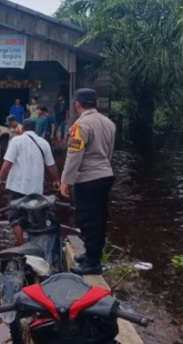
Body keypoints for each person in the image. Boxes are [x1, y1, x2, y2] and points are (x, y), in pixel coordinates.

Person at [60, 88, 116, 276]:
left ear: (77, 105)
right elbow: (109, 151)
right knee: (99, 217)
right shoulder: (108, 123)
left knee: (87, 219)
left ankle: (92, 263)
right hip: (105, 174)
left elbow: (74, 154)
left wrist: (65, 180)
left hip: (88, 178)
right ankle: (92, 254)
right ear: (96, 104)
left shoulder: (81, 125)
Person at [0, 119, 60, 245]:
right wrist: (56, 180)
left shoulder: (16, 141)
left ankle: (20, 242)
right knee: (34, 214)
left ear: (22, 128)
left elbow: (8, 163)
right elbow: (51, 166)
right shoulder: (43, 143)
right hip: (36, 188)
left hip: (17, 186)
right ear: (35, 129)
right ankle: (35, 242)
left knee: (15, 216)